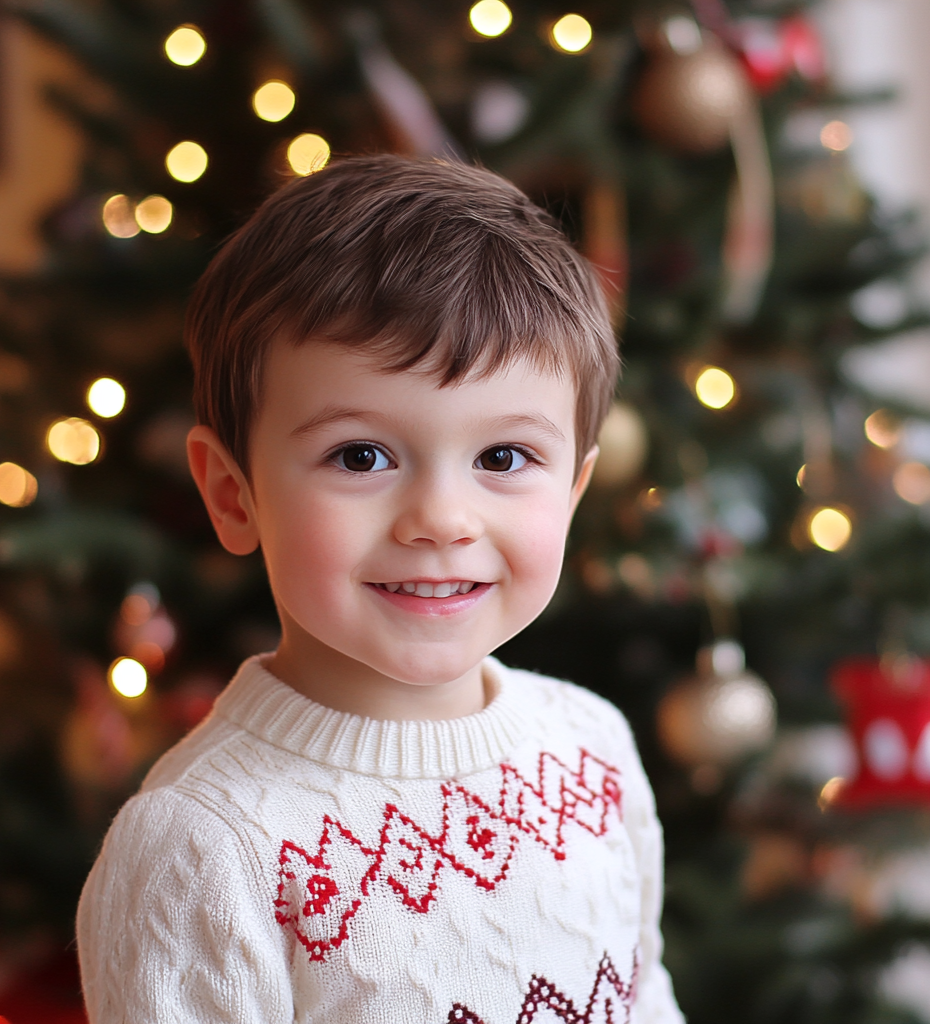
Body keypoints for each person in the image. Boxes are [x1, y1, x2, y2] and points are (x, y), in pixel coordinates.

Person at [77, 155, 684, 1024]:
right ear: (231, 494)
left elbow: (645, 999)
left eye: (503, 458)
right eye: (360, 456)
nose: (442, 518)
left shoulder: (593, 751)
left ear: (574, 492)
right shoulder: (202, 848)